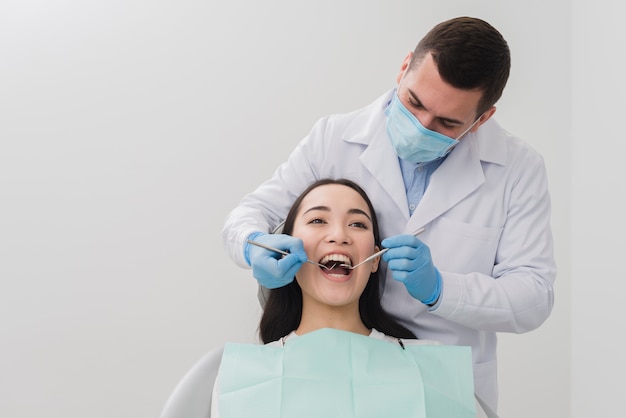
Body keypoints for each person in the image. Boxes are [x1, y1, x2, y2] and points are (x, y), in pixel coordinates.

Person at [222, 16, 556, 413]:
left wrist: (439, 289)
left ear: (483, 119)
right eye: (414, 103)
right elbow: (250, 214)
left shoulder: (517, 169)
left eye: (447, 123)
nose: (420, 126)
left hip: (445, 388)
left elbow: (534, 296)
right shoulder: (333, 137)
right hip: (329, 364)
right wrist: (251, 245)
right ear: (405, 67)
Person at [213, 178, 493, 417]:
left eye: (357, 224)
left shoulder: (434, 370)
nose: (339, 235)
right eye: (317, 220)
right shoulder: (244, 376)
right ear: (286, 249)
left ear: (374, 259)